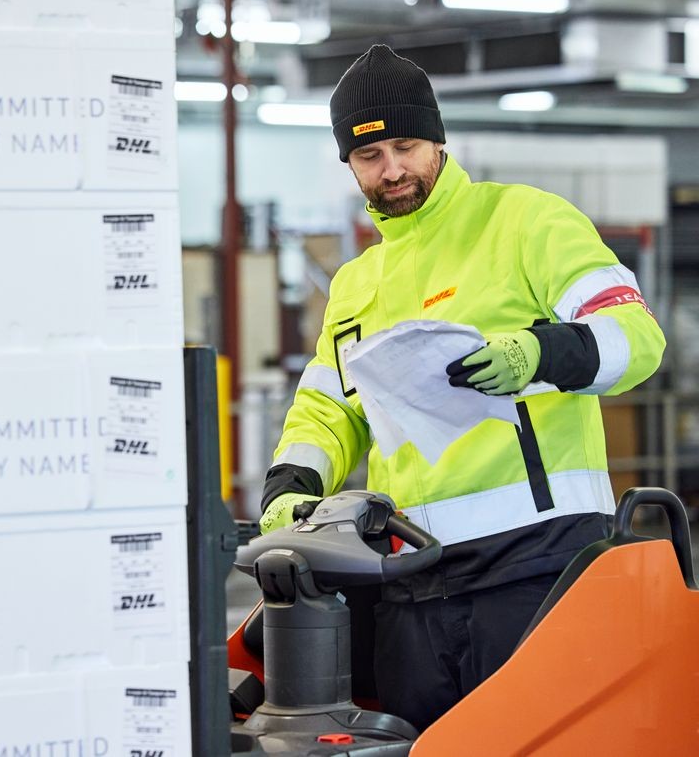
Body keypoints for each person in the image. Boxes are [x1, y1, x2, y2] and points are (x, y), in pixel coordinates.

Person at [257, 44, 666, 731]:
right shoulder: (356, 284)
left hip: (537, 566)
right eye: (369, 156)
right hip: (410, 583)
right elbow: (327, 409)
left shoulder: (526, 221)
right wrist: (288, 490)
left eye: (406, 147)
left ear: (438, 140)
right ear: (349, 164)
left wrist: (537, 352)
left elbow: (637, 336)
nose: (392, 170)